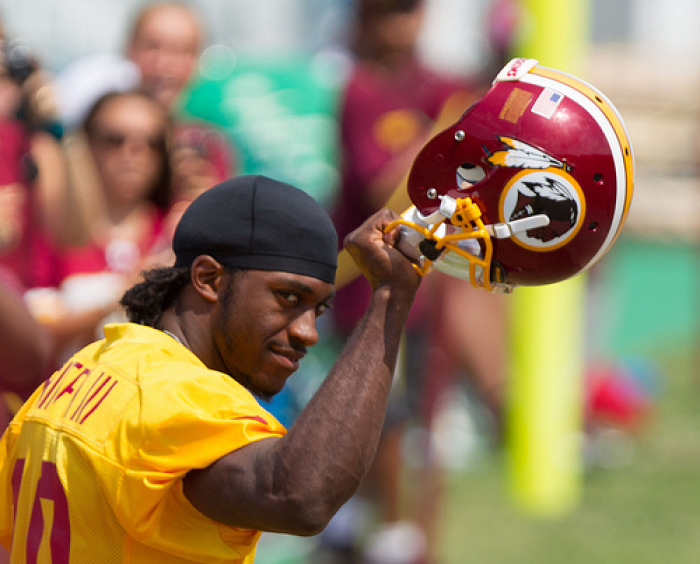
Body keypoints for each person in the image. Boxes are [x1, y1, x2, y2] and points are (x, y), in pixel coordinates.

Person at [0, 174, 422, 562]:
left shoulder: (81, 369)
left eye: (318, 309)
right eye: (288, 298)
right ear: (209, 279)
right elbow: (297, 496)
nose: (308, 332)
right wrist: (389, 299)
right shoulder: (175, 393)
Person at [27, 90, 171, 363]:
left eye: (152, 143)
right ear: (86, 142)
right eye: (115, 139)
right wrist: (120, 295)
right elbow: (33, 338)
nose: (134, 152)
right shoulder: (54, 231)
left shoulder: (174, 233)